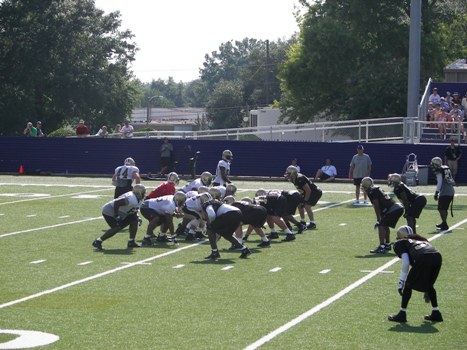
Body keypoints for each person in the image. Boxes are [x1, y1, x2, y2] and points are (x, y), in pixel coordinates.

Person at [388, 225, 443, 323]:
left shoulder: (400, 242)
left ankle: (402, 314)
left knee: (408, 285)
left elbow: (405, 262)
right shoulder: (422, 240)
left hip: (424, 257)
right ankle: (436, 312)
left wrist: (401, 282)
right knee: (429, 285)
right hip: (437, 256)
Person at [92, 184, 146, 251]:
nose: (144, 193)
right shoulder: (131, 198)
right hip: (109, 210)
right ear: (139, 192)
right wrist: (116, 215)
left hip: (122, 212)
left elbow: (134, 209)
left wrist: (137, 216)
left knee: (134, 220)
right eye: (143, 192)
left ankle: (131, 241)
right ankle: (98, 241)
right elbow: (117, 203)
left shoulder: (138, 199)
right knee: (116, 227)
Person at [361, 177, 404, 254]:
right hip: (396, 207)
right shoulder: (375, 189)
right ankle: (387, 245)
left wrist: (378, 219)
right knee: (385, 225)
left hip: (393, 209)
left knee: (381, 225)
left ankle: (382, 246)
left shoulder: (371, 191)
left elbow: (377, 206)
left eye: (363, 185)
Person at [285, 165, 322, 229]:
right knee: (299, 204)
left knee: (306, 205)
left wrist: (305, 201)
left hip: (315, 192)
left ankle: (312, 223)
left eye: (289, 173)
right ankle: (303, 221)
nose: (287, 175)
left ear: (293, 173)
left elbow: (308, 190)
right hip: (307, 192)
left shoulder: (299, 178)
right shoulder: (294, 178)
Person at [430, 157, 455, 231]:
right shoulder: (445, 167)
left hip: (445, 192)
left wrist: (436, 193)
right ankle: (444, 223)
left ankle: (444, 224)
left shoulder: (439, 170)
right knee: (443, 208)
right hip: (450, 190)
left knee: (441, 209)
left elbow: (439, 182)